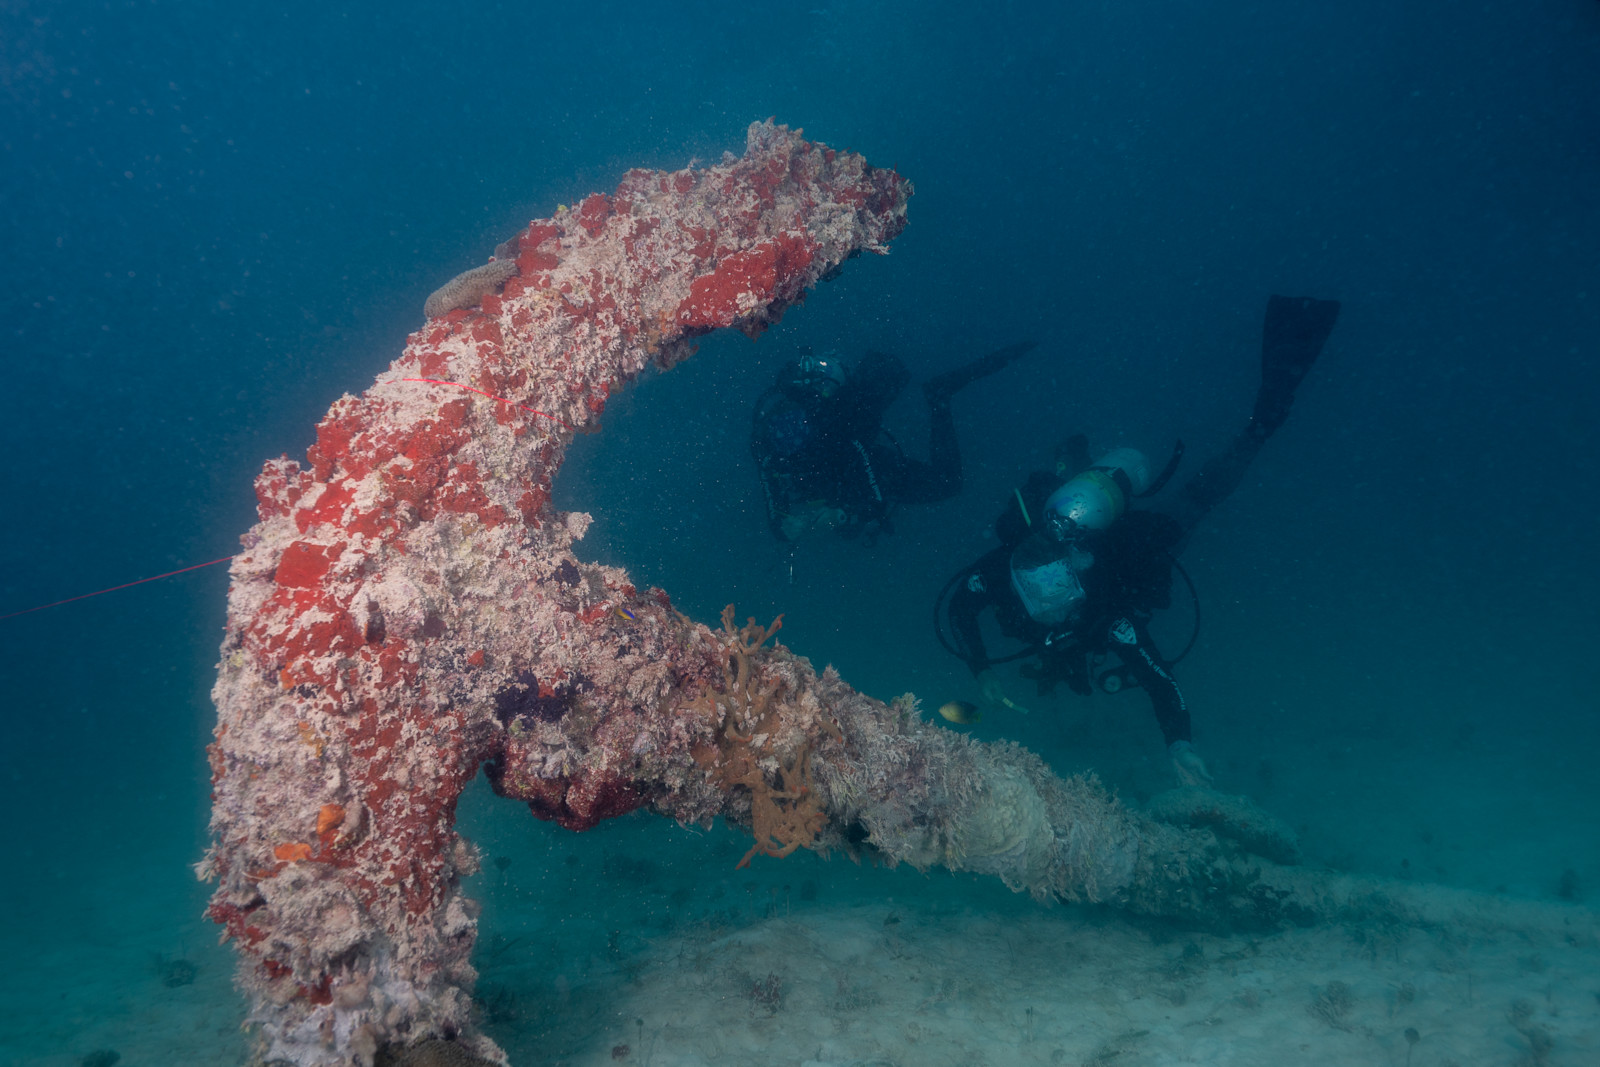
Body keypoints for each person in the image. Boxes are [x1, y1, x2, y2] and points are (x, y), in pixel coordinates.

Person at [936, 295, 1341, 785]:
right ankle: (1079, 463)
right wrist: (981, 669)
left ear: (1080, 586)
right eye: (1035, 595)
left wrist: (1180, 744)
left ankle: (1263, 421)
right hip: (1083, 529)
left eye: (1055, 600)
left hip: (1133, 546)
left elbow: (1160, 681)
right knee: (1187, 499)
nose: (1046, 609)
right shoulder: (1002, 571)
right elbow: (960, 606)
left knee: (1196, 502)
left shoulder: (1109, 616)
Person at [751, 342, 1035, 542]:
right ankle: (938, 396)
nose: (790, 437)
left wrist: (847, 514)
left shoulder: (825, 432)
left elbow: (867, 477)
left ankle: (940, 396)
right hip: (849, 473)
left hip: (865, 466)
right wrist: (785, 527)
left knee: (948, 483)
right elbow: (775, 510)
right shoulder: (768, 450)